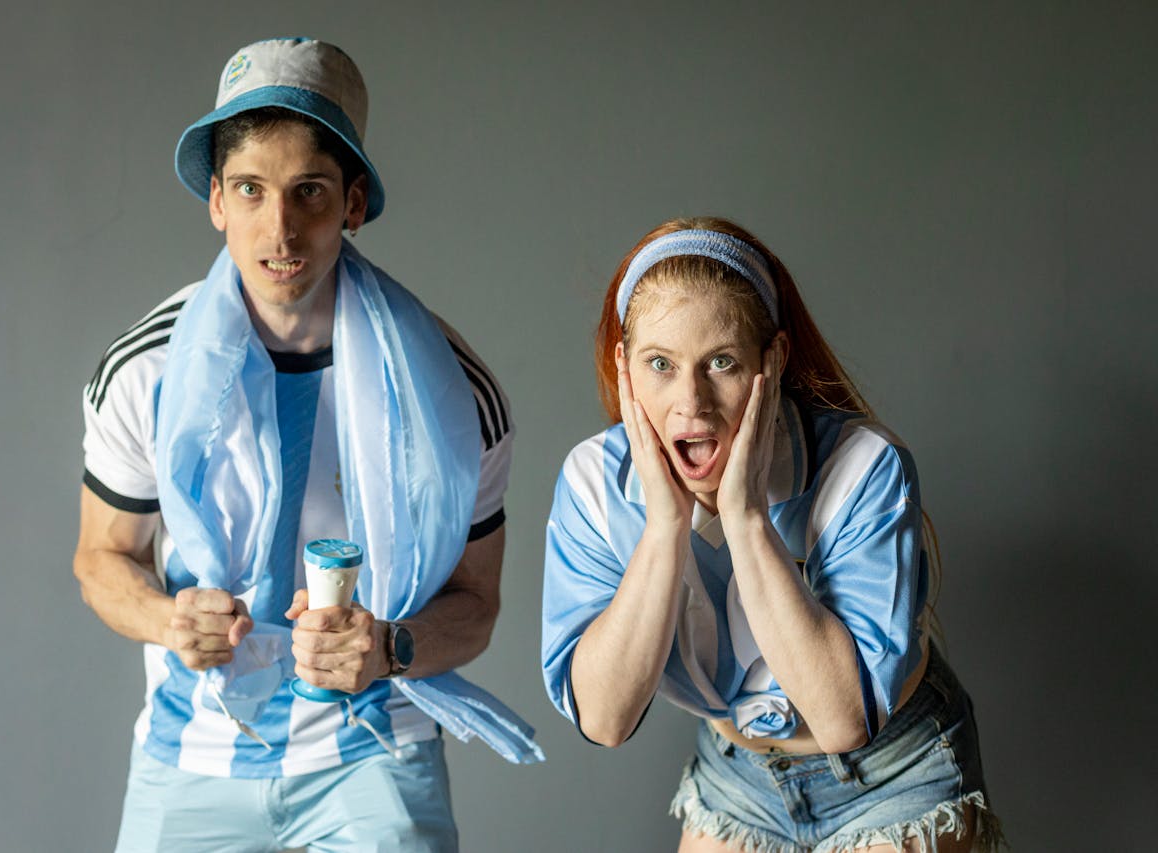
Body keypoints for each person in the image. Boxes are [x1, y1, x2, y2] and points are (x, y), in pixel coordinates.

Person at [74, 37, 539, 853]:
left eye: (309, 192)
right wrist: (166, 617)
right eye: (250, 190)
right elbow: (100, 558)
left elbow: (477, 604)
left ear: (353, 203)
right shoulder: (146, 369)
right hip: (195, 750)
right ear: (216, 199)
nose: (278, 228)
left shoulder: (455, 394)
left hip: (376, 749)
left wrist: (389, 646)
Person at [541, 217, 1004, 852]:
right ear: (624, 367)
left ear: (774, 360)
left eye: (722, 363)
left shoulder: (866, 467)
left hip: (893, 767)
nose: (691, 403)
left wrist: (748, 516)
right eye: (660, 364)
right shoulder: (592, 485)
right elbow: (604, 717)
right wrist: (665, 526)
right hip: (740, 775)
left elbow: (844, 717)